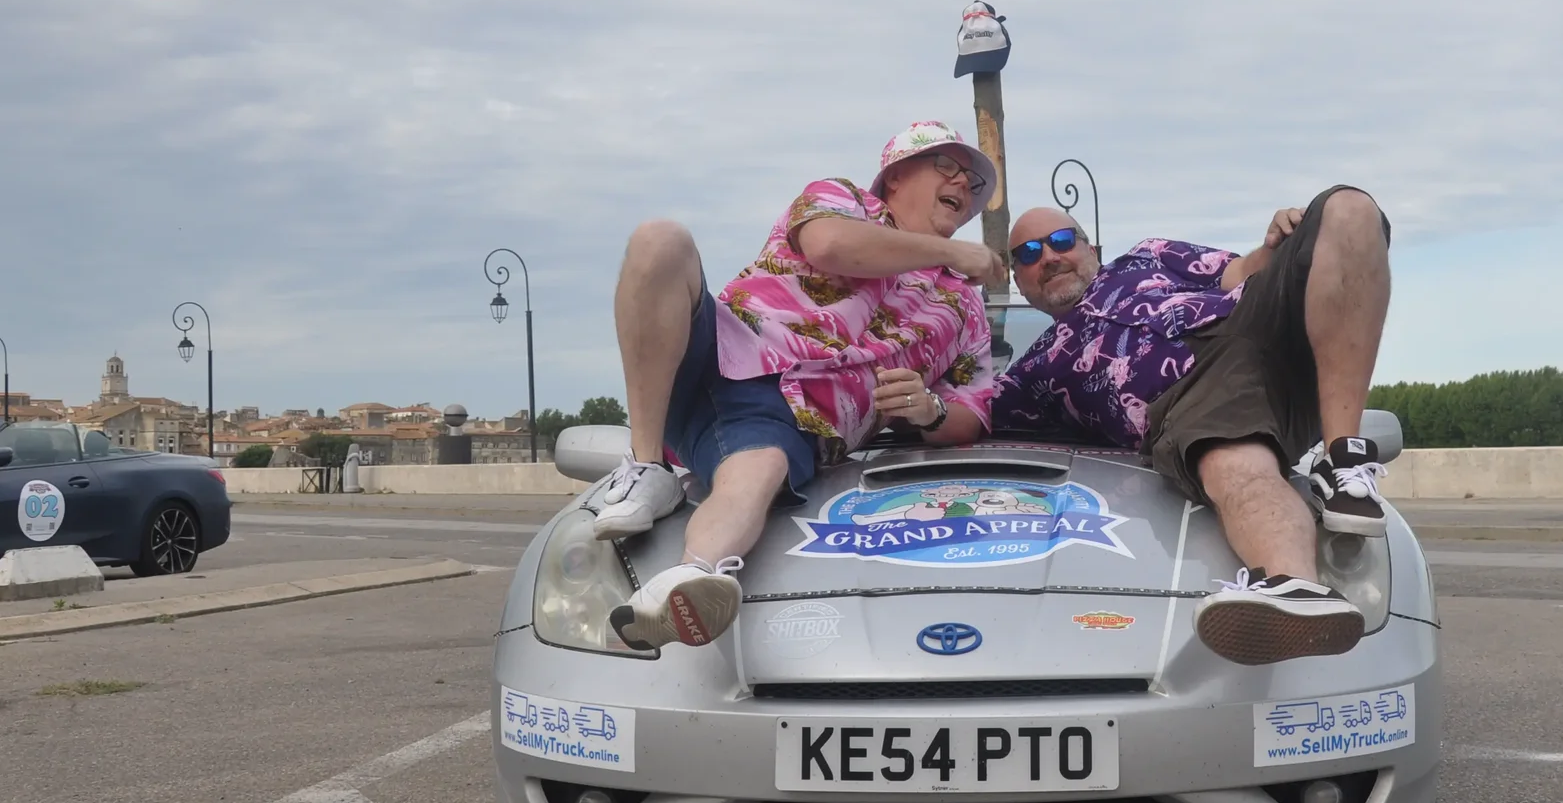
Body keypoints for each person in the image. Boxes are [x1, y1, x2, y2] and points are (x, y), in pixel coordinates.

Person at [589, 121, 1003, 647]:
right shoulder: (842, 199)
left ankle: (688, 579)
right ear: (896, 176)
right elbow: (830, 246)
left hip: (793, 413)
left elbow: (975, 410)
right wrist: (949, 253)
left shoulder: (965, 306)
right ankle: (647, 464)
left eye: (974, 184)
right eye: (949, 167)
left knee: (758, 472)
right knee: (660, 240)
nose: (965, 186)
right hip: (723, 342)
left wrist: (930, 412)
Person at [988, 186, 1392, 665]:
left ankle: (1344, 454)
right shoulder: (1035, 372)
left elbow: (1241, 271)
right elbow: (960, 420)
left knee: (1348, 209)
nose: (1049, 257)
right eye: (1029, 254)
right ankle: (1297, 589)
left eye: (1061, 240)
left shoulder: (1147, 255)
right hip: (1196, 397)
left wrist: (1275, 243)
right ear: (1018, 277)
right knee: (1235, 465)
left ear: (1090, 248)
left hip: (1253, 319)